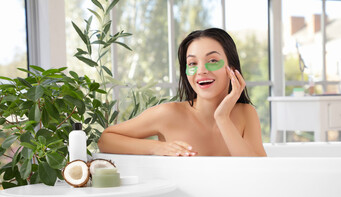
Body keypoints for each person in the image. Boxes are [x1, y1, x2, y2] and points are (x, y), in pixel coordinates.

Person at [98, 28, 266, 156]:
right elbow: (106, 139)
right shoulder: (168, 113)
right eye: (192, 63)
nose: (201, 71)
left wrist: (222, 118)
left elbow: (259, 171)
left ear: (232, 68)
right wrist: (158, 147)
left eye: (212, 60)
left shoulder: (246, 114)